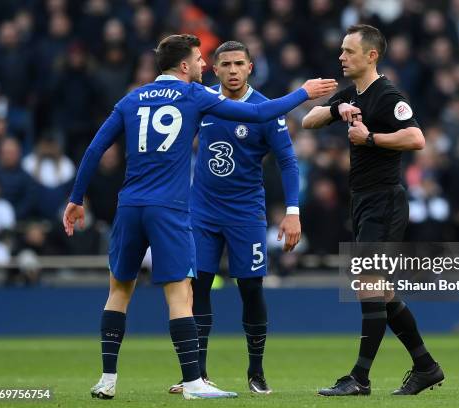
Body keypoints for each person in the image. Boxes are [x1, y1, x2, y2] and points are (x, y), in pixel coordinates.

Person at [62, 33, 336, 400]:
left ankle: (108, 379)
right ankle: (195, 379)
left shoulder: (131, 98)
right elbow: (256, 114)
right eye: (202, 59)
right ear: (186, 65)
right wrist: (303, 92)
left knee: (120, 290)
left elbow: (96, 148)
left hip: (136, 206)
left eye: (236, 64)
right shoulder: (197, 97)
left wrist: (76, 198)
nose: (207, 65)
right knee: (183, 293)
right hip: (181, 210)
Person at [302, 24, 444, 396]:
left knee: (367, 284)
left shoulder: (388, 95)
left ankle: (359, 378)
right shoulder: (354, 94)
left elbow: (416, 138)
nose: (341, 57)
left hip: (384, 200)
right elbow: (307, 120)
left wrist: (371, 137)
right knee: (379, 290)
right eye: (342, 50)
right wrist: (338, 108)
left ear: (371, 55)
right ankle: (426, 367)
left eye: (348, 51)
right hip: (364, 201)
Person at [166, 40, 301, 396]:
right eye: (225, 64)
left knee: (251, 288)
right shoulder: (203, 101)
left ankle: (256, 372)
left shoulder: (266, 109)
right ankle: (199, 374)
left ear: (250, 67)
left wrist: (292, 212)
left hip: (246, 214)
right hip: (203, 212)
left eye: (239, 64)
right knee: (199, 286)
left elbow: (287, 161)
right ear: (215, 68)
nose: (233, 71)